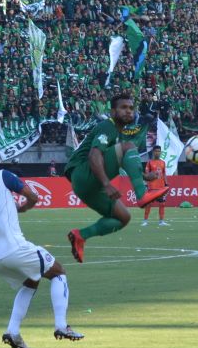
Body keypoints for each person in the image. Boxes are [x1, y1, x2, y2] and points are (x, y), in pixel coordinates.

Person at [0, 145, 83, 348]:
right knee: (59, 272)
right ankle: (62, 326)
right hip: (14, 248)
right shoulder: (2, 176)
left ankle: (13, 332)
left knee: (31, 281)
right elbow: (33, 197)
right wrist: (23, 208)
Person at [63, 93, 169, 263]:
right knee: (128, 146)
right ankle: (142, 194)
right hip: (83, 173)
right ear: (113, 112)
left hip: (86, 186)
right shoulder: (108, 126)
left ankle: (80, 236)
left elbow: (119, 160)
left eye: (131, 108)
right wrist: (106, 183)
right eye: (123, 108)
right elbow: (94, 155)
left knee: (123, 218)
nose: (129, 111)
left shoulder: (118, 133)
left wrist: (144, 175)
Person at [142, 145, 170, 227]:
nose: (158, 152)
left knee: (162, 204)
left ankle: (161, 221)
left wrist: (166, 183)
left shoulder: (163, 162)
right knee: (149, 204)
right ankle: (145, 221)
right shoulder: (149, 163)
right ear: (153, 152)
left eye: (159, 151)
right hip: (152, 187)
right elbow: (147, 175)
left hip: (161, 188)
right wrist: (147, 184)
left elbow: (164, 174)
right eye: (156, 151)